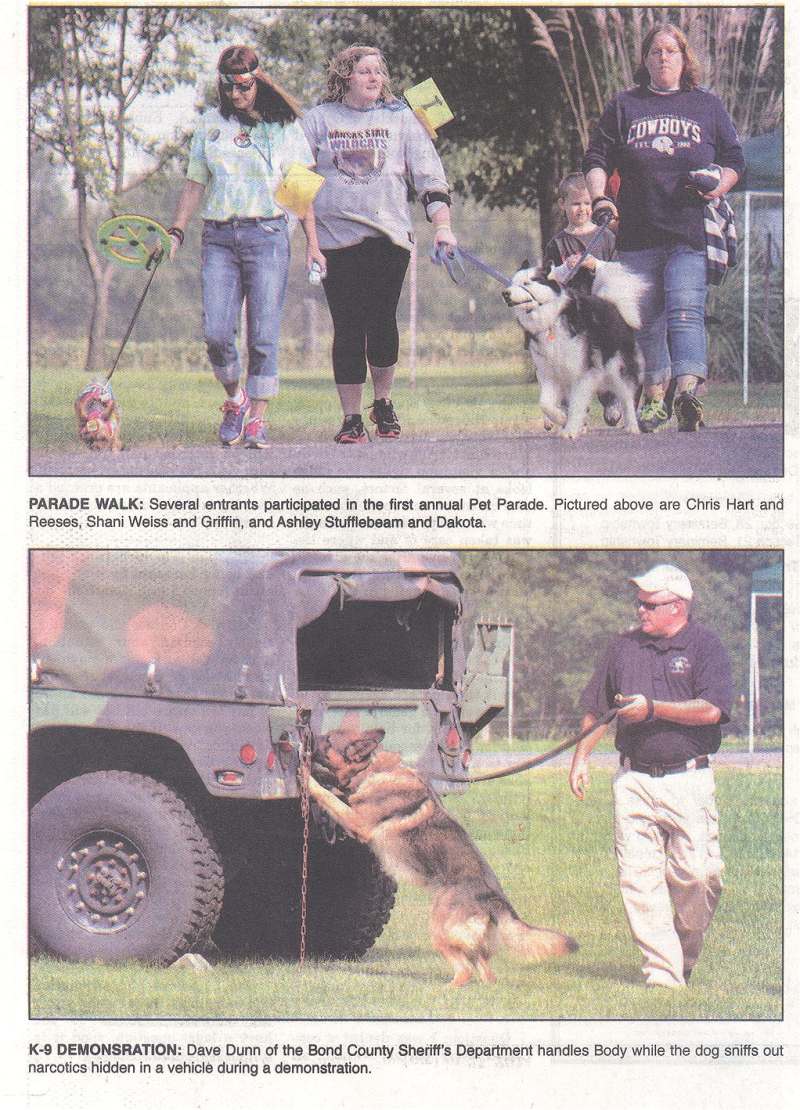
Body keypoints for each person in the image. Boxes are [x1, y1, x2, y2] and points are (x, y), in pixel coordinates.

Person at [569, 564, 734, 988]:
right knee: (639, 882)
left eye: (650, 604)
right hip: (633, 781)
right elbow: (597, 708)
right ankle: (664, 976)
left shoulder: (706, 647)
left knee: (699, 877)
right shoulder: (622, 647)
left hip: (688, 781)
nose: (640, 610)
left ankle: (683, 953)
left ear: (678, 607)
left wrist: (653, 708)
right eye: (639, 602)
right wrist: (581, 759)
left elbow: (712, 709)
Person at [582, 23, 745, 433]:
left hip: (689, 232)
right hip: (637, 232)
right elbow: (596, 156)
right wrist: (601, 197)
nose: (664, 57)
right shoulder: (624, 105)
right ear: (644, 59)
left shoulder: (706, 105)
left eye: (671, 50)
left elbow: (734, 160)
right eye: (655, 51)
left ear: (685, 58)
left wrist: (717, 187)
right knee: (647, 320)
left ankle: (687, 392)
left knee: (685, 309)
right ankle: (656, 398)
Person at [168, 46, 325, 448]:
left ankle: (257, 418)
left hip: (267, 235)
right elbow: (194, 182)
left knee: (263, 334)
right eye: (228, 87)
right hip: (219, 236)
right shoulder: (209, 124)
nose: (236, 96)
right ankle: (235, 400)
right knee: (217, 333)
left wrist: (313, 244)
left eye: (243, 87)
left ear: (257, 81)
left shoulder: (283, 126)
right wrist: (176, 230)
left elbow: (301, 188)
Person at [301, 45, 458, 443]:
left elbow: (431, 178)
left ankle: (383, 402)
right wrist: (309, 242)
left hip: (388, 238)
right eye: (364, 71)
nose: (374, 77)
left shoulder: (402, 116)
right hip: (335, 241)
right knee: (349, 326)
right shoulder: (318, 120)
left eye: (379, 71)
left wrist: (443, 226)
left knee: (381, 322)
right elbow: (298, 185)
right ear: (345, 77)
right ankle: (351, 418)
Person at [543, 171, 621, 427]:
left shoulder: (606, 237)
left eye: (587, 203)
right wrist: (566, 268)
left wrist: (593, 263)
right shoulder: (558, 243)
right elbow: (550, 280)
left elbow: (617, 271)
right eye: (576, 203)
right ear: (562, 205)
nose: (582, 209)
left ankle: (610, 398)